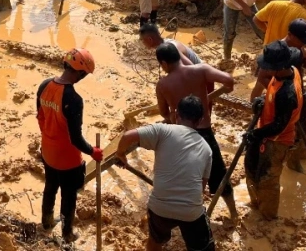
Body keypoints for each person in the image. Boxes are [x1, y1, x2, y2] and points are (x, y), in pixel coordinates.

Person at [116, 95, 215, 251]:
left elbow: (128, 136)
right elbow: (201, 189)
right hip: (190, 210)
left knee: (155, 241)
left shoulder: (163, 130)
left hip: (159, 207)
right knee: (203, 247)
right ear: (200, 120)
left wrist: (120, 154)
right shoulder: (207, 149)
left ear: (176, 115)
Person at [155, 42, 238, 221]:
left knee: (183, 176)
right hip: (205, 133)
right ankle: (233, 214)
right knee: (218, 174)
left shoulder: (163, 84)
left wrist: (172, 114)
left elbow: (164, 113)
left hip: (180, 137)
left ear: (164, 64)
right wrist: (206, 99)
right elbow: (230, 81)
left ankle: (181, 213)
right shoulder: (200, 70)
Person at [37, 48, 103, 243]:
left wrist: (50, 137)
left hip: (48, 151)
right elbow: (75, 138)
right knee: (68, 197)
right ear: (80, 73)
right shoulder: (73, 99)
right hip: (67, 160)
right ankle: (67, 234)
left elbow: (40, 118)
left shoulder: (44, 85)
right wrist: (93, 151)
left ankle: (46, 223)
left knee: (50, 187)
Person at [243, 40, 303, 220]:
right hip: (266, 132)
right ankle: (256, 203)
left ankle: (268, 217)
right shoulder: (289, 72)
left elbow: (279, 126)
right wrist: (262, 101)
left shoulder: (287, 93)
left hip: (277, 140)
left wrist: (256, 134)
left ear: (278, 67)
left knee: (267, 179)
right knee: (251, 167)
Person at [251, 18, 306, 99]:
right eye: (302, 40)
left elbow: (305, 66)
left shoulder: (300, 47)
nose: (305, 43)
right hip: (282, 92)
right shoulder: (277, 52)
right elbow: (262, 78)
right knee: (258, 88)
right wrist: (280, 93)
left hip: (293, 88)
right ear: (290, 35)